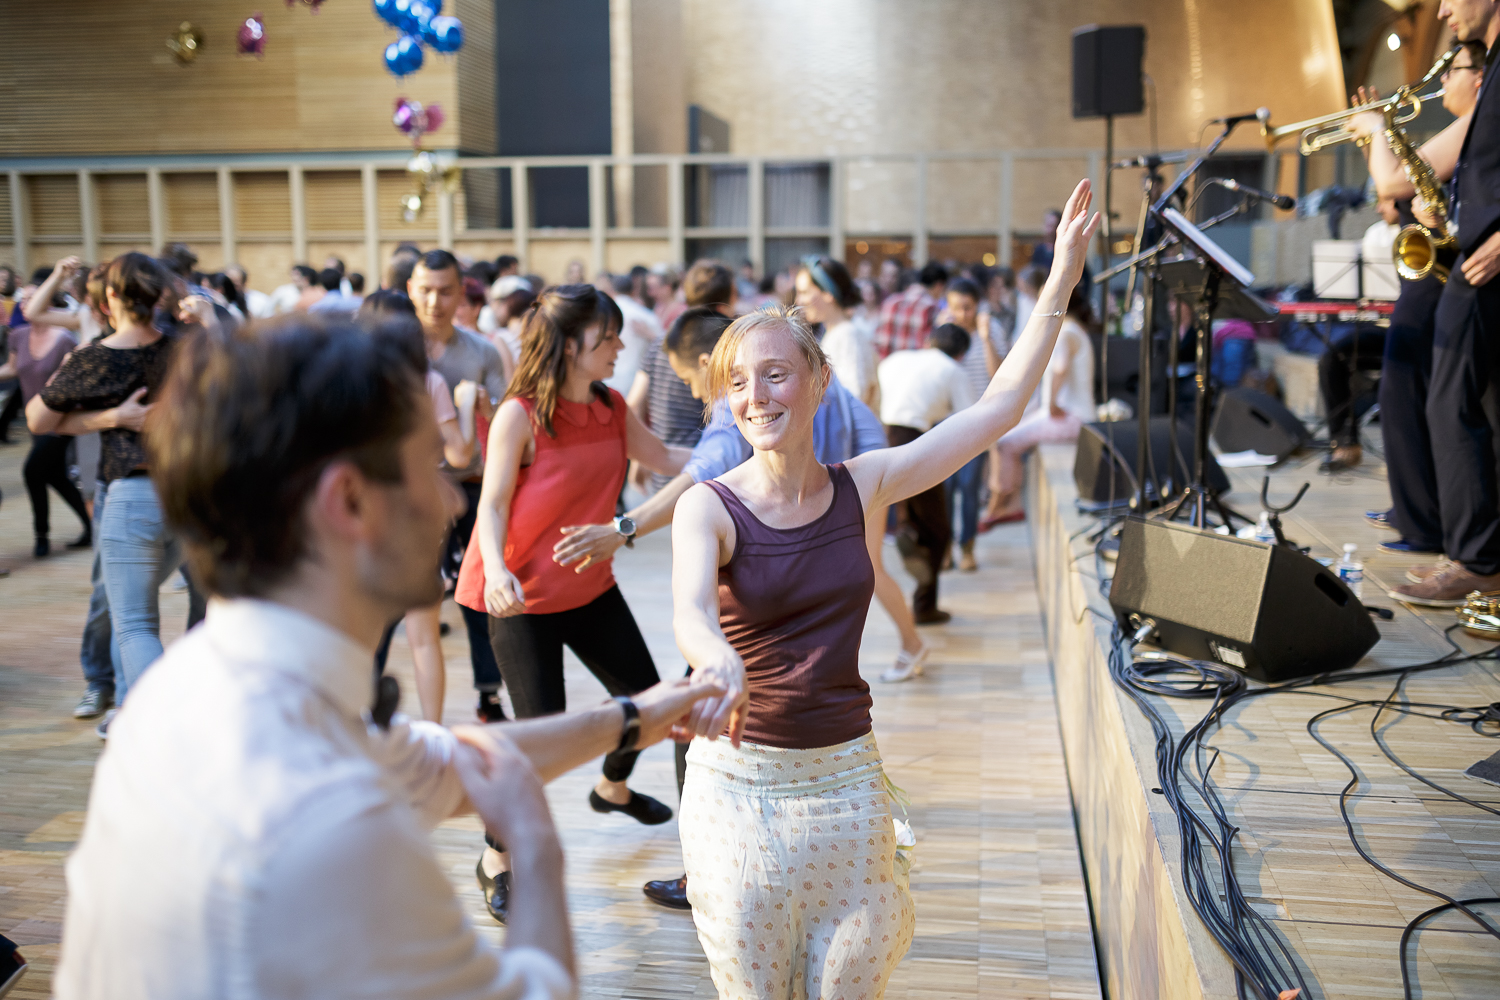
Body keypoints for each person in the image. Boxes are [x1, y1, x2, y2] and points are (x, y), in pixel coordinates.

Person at [55, 312, 723, 1000]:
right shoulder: (328, 822)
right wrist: (534, 840)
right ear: (348, 500)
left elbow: (439, 763)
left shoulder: (200, 687)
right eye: (427, 466)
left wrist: (634, 717)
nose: (446, 503)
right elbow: (535, 988)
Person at [669, 179, 1098, 1000]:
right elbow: (690, 609)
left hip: (845, 780)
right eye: (739, 383)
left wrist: (1061, 279)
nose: (756, 398)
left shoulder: (864, 484)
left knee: (848, 981)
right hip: (738, 782)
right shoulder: (708, 507)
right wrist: (713, 660)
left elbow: (1001, 406)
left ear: (818, 380)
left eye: (775, 376)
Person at [455, 284, 691, 924]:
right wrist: (498, 568)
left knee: (652, 704)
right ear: (568, 346)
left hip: (588, 586)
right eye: (607, 338)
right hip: (520, 597)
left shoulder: (612, 407)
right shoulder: (520, 415)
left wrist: (752, 455)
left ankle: (612, 788)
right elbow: (493, 503)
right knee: (541, 741)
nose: (620, 347)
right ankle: (495, 859)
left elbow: (668, 458)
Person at [26, 254, 206, 737]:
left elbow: (37, 421)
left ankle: (151, 728)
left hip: (134, 498)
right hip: (189, 497)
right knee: (163, 614)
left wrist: (110, 418)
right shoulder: (187, 351)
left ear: (108, 299)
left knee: (135, 625)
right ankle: (134, 710)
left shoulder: (96, 356)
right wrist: (116, 417)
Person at [1376, 0, 1500, 604]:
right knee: (1462, 406)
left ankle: (1476, 561)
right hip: (1470, 259)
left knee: (1451, 405)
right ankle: (1472, 553)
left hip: (1484, 264)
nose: (1444, 8)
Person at [1349, 38, 1486, 557]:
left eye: (1452, 71)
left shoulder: (1476, 124)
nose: (1443, 81)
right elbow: (1392, 197)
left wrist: (1381, 132)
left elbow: (1394, 184)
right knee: (1409, 398)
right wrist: (1373, 140)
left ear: (1479, 79)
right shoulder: (1468, 131)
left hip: (1444, 277)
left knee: (1416, 398)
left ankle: (1426, 523)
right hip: (1434, 274)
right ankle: (1417, 512)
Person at [407, 250, 514, 720]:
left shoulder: (481, 351)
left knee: (477, 592)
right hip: (410, 491)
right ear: (411, 289)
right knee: (408, 599)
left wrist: (486, 404)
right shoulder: (391, 347)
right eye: (426, 289)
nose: (435, 301)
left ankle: (488, 693)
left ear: (461, 293)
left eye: (445, 290)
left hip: (469, 483)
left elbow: (510, 416)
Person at [360, 292, 474, 722]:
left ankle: (358, 727)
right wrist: (466, 408)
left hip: (368, 517)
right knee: (424, 636)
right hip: (421, 518)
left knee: (365, 634)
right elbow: (460, 454)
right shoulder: (429, 383)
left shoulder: (348, 384)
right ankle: (432, 729)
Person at [878, 323, 976, 625]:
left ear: (929, 341)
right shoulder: (952, 370)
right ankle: (924, 607)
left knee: (910, 512)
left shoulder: (895, 359)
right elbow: (970, 419)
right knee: (938, 529)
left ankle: (906, 533)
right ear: (960, 354)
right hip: (915, 441)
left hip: (880, 439)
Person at [983, 285, 1096, 523]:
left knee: (1005, 442)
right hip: (1070, 415)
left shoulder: (1066, 332)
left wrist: (1053, 404)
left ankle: (1008, 504)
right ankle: (1008, 503)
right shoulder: (1072, 329)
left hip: (1070, 418)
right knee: (1006, 437)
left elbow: (1061, 369)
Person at [8, 262, 90, 557]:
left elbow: (75, 376)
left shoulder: (65, 337)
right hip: (34, 420)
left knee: (32, 472)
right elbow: (13, 369)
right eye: (24, 298)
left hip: (59, 418)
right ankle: (89, 526)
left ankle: (41, 535)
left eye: (33, 297)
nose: (25, 302)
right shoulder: (18, 335)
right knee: (56, 477)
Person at [1316, 196, 1397, 472]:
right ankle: (1344, 441)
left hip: (1416, 325)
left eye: (1385, 201)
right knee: (1332, 357)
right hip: (1379, 326)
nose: (1379, 208)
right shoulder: (1375, 234)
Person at [939, 276, 1006, 569]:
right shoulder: (943, 330)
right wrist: (941, 334)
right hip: (943, 424)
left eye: (966, 307)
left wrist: (986, 335)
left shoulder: (991, 330)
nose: (960, 314)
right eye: (955, 307)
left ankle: (967, 548)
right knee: (943, 489)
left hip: (976, 423)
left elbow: (998, 374)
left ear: (977, 306)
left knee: (968, 489)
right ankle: (944, 549)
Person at [628, 307, 711, 495]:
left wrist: (641, 458)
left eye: (688, 381)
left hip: (676, 473)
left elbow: (634, 403)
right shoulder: (666, 344)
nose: (694, 393)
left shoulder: (659, 344)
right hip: (683, 469)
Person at [795, 255, 878, 408]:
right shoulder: (836, 333)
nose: (798, 301)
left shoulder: (847, 335)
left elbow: (855, 397)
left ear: (828, 293)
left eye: (804, 292)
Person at [604, 272, 665, 395]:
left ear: (612, 290)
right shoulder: (646, 315)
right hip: (637, 382)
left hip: (607, 379)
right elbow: (664, 345)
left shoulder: (603, 315)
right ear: (634, 291)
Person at [874, 260, 946, 358]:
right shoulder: (932, 307)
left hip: (888, 369)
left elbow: (877, 343)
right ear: (939, 286)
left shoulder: (890, 302)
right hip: (918, 370)